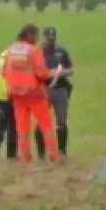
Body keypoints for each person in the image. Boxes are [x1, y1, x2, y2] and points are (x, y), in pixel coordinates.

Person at [3, 24, 61, 163]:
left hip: (16, 93)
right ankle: (53, 154)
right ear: (29, 35)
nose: (37, 39)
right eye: (35, 35)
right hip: (34, 93)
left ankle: (25, 156)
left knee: (22, 127)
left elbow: (3, 71)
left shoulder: (10, 50)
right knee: (46, 124)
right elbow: (42, 73)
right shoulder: (34, 51)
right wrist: (54, 72)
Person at [34, 26, 75, 159]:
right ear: (43, 37)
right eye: (48, 39)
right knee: (41, 122)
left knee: (61, 121)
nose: (50, 41)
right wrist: (47, 74)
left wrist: (61, 72)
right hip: (43, 89)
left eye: (53, 39)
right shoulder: (37, 53)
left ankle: (62, 151)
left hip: (60, 89)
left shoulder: (61, 52)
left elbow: (71, 69)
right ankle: (41, 153)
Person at [0, 47, 18, 159]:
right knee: (12, 126)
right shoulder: (17, 56)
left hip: (0, 94)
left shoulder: (5, 54)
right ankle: (11, 154)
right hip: (11, 93)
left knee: (0, 125)